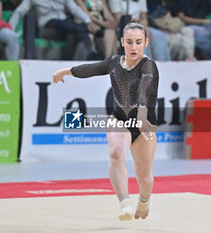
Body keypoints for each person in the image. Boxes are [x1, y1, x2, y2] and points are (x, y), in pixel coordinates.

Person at [52, 20, 158, 221]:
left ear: (145, 42)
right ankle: (124, 203)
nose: (133, 47)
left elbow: (144, 91)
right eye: (129, 42)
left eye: (138, 42)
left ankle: (144, 201)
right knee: (116, 153)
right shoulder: (113, 63)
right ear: (122, 42)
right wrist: (66, 71)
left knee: (144, 176)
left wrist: (142, 116)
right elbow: (91, 69)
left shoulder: (149, 66)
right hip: (119, 119)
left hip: (144, 125)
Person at [8, 0, 100, 60]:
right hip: (48, 27)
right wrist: (10, 28)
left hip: (66, 26)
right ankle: (87, 29)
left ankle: (82, 66)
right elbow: (19, 11)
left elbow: (75, 9)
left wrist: (88, 22)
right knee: (70, 27)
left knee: (82, 35)